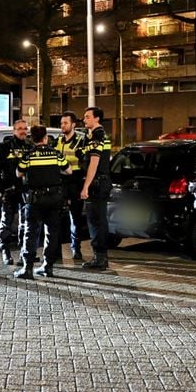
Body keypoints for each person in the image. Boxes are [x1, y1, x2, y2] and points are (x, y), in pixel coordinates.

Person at [15, 125, 71, 279]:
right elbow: (69, 170)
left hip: (35, 199)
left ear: (32, 139)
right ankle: (48, 266)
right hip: (54, 199)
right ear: (46, 137)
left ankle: (27, 268)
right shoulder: (55, 154)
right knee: (52, 233)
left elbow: (19, 173)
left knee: (31, 233)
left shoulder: (28, 155)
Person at [0, 119, 32, 265]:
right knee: (6, 223)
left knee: (25, 223)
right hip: (9, 191)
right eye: (20, 128)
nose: (23, 131)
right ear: (13, 130)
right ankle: (5, 251)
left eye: (25, 128)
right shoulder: (4, 147)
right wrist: (2, 191)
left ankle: (24, 253)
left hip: (25, 190)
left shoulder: (30, 146)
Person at [80, 107, 112, 270]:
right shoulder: (94, 136)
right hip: (100, 182)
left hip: (97, 183)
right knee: (97, 220)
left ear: (97, 118)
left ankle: (100, 258)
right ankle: (100, 257)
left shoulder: (98, 135)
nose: (84, 119)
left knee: (96, 221)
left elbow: (94, 162)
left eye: (87, 117)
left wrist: (86, 186)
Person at [54, 111, 86, 261]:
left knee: (75, 217)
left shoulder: (81, 140)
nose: (62, 126)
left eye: (65, 123)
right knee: (58, 218)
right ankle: (57, 251)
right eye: (61, 123)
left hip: (75, 182)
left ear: (73, 124)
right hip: (60, 182)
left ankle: (76, 249)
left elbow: (85, 163)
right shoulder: (59, 140)